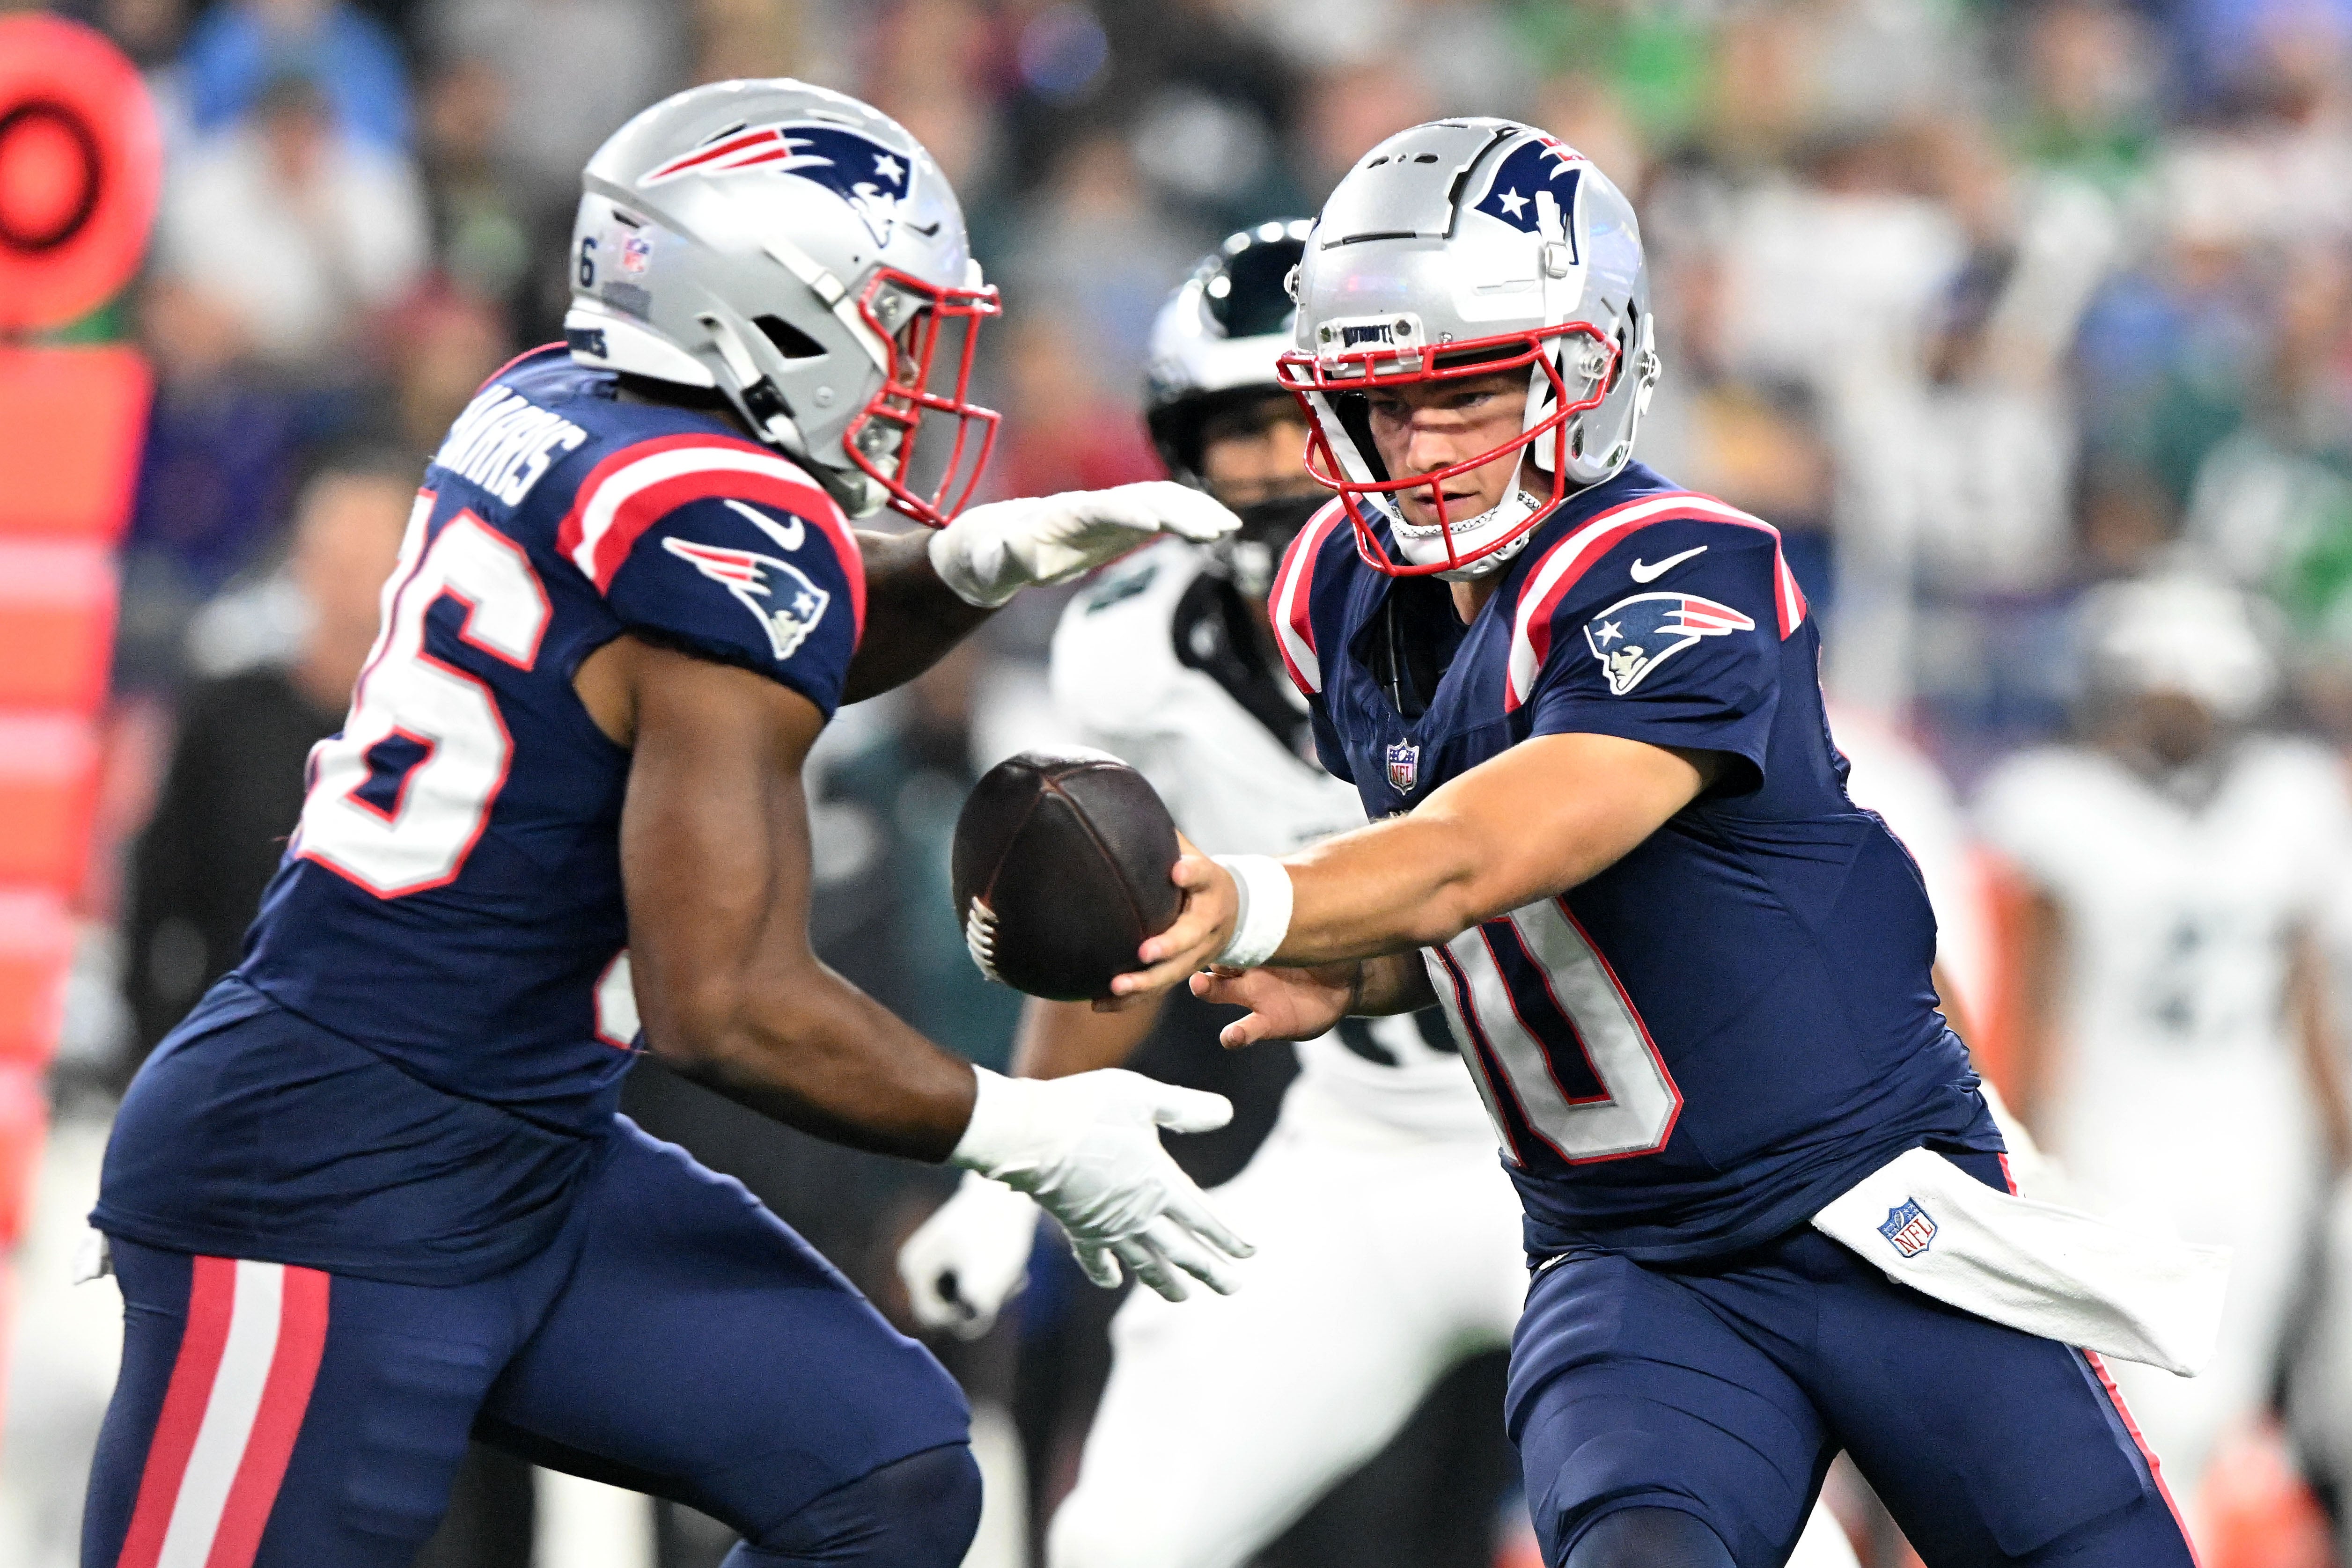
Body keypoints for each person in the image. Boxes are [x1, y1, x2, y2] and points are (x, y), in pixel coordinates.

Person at [79, 79, 1252, 1568]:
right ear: (758, 309)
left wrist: (963, 563)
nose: (904, 363)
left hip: (526, 1144)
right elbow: (727, 1001)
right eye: (884, 315)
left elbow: (747, 650)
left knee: (883, 1472)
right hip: (325, 1168)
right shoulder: (713, 524)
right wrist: (1023, 1129)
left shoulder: (546, 400)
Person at [1114, 119, 2206, 1568]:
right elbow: (1551, 934)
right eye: (1382, 400)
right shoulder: (1333, 589)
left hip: (1878, 1218)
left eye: (1469, 386)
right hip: (1631, 1254)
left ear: (1590, 362)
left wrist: (1272, 898)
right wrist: (1375, 972)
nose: (1417, 441)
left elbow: (1508, 841)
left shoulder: (1684, 561)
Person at [899, 223, 1867, 1568]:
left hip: (1600, 1173)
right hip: (1349, 1151)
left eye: (1316, 414)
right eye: (1245, 421)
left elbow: (1799, 889)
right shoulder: (1131, 656)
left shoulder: (1570, 601)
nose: (1289, 460)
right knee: (1119, 1535)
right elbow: (1140, 932)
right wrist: (1017, 1167)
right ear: (1179, 444)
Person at [1976, 571, 2352, 1539]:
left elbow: (2304, 999)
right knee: (2145, 1412)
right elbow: (2033, 1005)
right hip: (2125, 1141)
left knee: (2212, 1412)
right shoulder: (2063, 808)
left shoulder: (2288, 803)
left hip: (2243, 1144)